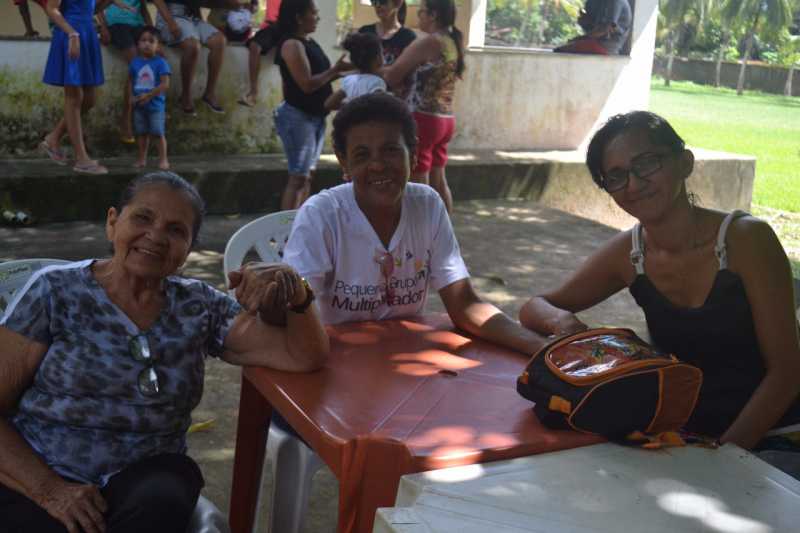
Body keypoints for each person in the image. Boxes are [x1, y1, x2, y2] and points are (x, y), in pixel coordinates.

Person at [0, 171, 329, 533]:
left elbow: (302, 356)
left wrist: (297, 291)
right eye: (143, 218)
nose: (156, 236)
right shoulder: (54, 292)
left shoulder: (199, 307)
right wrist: (50, 491)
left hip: (143, 484)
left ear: (188, 248)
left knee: (166, 494)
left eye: (175, 230)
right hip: (43, 475)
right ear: (112, 223)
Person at [518, 111, 800, 454]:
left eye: (647, 163)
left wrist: (725, 453)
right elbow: (534, 306)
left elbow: (786, 373)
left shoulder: (746, 240)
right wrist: (564, 323)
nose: (634, 184)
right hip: (684, 433)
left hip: (777, 435)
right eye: (616, 176)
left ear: (684, 163)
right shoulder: (629, 253)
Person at [284, 93, 546, 354]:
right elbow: (297, 309)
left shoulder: (428, 205)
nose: (377, 165)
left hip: (406, 353)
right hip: (336, 357)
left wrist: (541, 347)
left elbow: (464, 305)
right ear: (344, 163)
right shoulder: (321, 215)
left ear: (414, 153)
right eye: (362, 155)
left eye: (390, 150)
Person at [383, 0, 465, 214]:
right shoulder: (451, 41)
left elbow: (392, 75)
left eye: (420, 12)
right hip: (445, 119)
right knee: (439, 179)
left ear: (433, 15)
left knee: (419, 183)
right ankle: (445, 229)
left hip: (423, 119)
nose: (417, 16)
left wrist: (367, 68)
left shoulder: (429, 42)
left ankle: (424, 231)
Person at [273, 0, 348, 210]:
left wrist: (350, 71)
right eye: (313, 13)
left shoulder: (308, 42)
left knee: (307, 176)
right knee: (298, 177)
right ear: (299, 17)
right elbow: (306, 84)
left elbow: (321, 78)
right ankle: (286, 225)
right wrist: (335, 71)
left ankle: (302, 221)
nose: (317, 17)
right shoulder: (291, 45)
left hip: (315, 117)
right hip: (298, 117)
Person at [40, 0, 108, 175]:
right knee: (74, 98)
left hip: (87, 33)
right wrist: (71, 33)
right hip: (70, 34)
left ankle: (53, 138)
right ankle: (82, 159)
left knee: (89, 100)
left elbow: (92, 9)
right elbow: (51, 8)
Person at [151, 0, 227, 114]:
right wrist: (170, 22)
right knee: (192, 46)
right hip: (171, 16)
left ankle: (209, 93)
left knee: (220, 41)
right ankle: (185, 96)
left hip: (192, 18)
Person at [98, 0, 152, 144]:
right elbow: (97, 5)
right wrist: (103, 27)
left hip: (138, 25)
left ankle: (151, 111)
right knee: (136, 64)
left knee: (156, 59)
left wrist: (152, 32)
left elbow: (144, 8)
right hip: (117, 24)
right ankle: (126, 118)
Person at [129, 26, 172, 169]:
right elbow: (131, 81)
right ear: (138, 44)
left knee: (158, 133)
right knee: (141, 133)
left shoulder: (161, 63)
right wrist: (131, 97)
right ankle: (142, 159)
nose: (147, 44)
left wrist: (148, 95)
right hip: (139, 105)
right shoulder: (135, 62)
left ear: (158, 45)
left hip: (156, 106)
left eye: (151, 41)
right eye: (143, 40)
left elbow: (165, 84)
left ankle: (163, 159)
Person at [358, 0, 416, 102]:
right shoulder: (364, 32)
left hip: (394, 101)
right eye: (374, 2)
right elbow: (355, 65)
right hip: (365, 98)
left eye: (382, 2)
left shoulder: (408, 37)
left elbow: (408, 75)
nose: (378, 6)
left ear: (398, 3)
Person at [324, 32, 386, 112]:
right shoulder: (376, 82)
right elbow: (380, 107)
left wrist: (351, 107)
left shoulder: (348, 80)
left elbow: (329, 104)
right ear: (378, 58)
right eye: (382, 53)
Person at [239, 0, 281, 107]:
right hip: (271, 27)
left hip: (289, 27)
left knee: (287, 57)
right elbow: (254, 6)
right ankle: (253, 93)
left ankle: (287, 101)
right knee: (254, 46)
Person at [554, 0, 631, 55]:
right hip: (596, 42)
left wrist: (581, 38)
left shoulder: (615, 2)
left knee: (560, 51)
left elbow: (607, 28)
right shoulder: (597, 2)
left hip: (607, 46)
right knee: (565, 48)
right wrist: (584, 21)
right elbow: (593, 27)